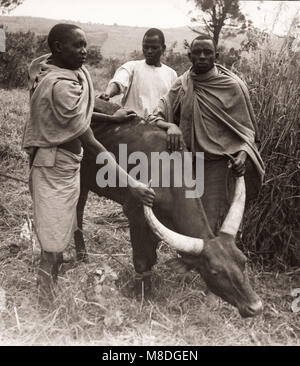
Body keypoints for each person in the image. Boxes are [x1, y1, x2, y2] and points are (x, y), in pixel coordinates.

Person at [22, 23, 155, 307]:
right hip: (52, 167)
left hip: (70, 163)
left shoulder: (69, 73)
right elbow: (91, 140)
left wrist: (112, 119)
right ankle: (46, 303)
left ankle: (50, 293)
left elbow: (85, 115)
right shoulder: (58, 86)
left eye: (85, 45)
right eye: (76, 45)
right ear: (58, 48)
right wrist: (131, 182)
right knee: (53, 243)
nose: (84, 51)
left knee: (59, 232)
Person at [152, 35, 265, 233]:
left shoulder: (232, 86)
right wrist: (170, 126)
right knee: (186, 223)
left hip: (217, 166)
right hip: (186, 163)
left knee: (209, 225)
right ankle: (190, 263)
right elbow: (155, 115)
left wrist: (243, 155)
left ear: (216, 56)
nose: (202, 56)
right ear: (189, 55)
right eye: (197, 52)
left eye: (207, 53)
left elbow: (247, 132)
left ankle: (211, 262)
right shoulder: (182, 83)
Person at [99, 28, 177, 120]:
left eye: (154, 47)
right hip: (133, 125)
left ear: (163, 48)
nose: (149, 51)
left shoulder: (171, 74)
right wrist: (107, 93)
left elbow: (174, 103)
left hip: (159, 126)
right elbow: (118, 82)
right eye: (146, 47)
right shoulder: (132, 67)